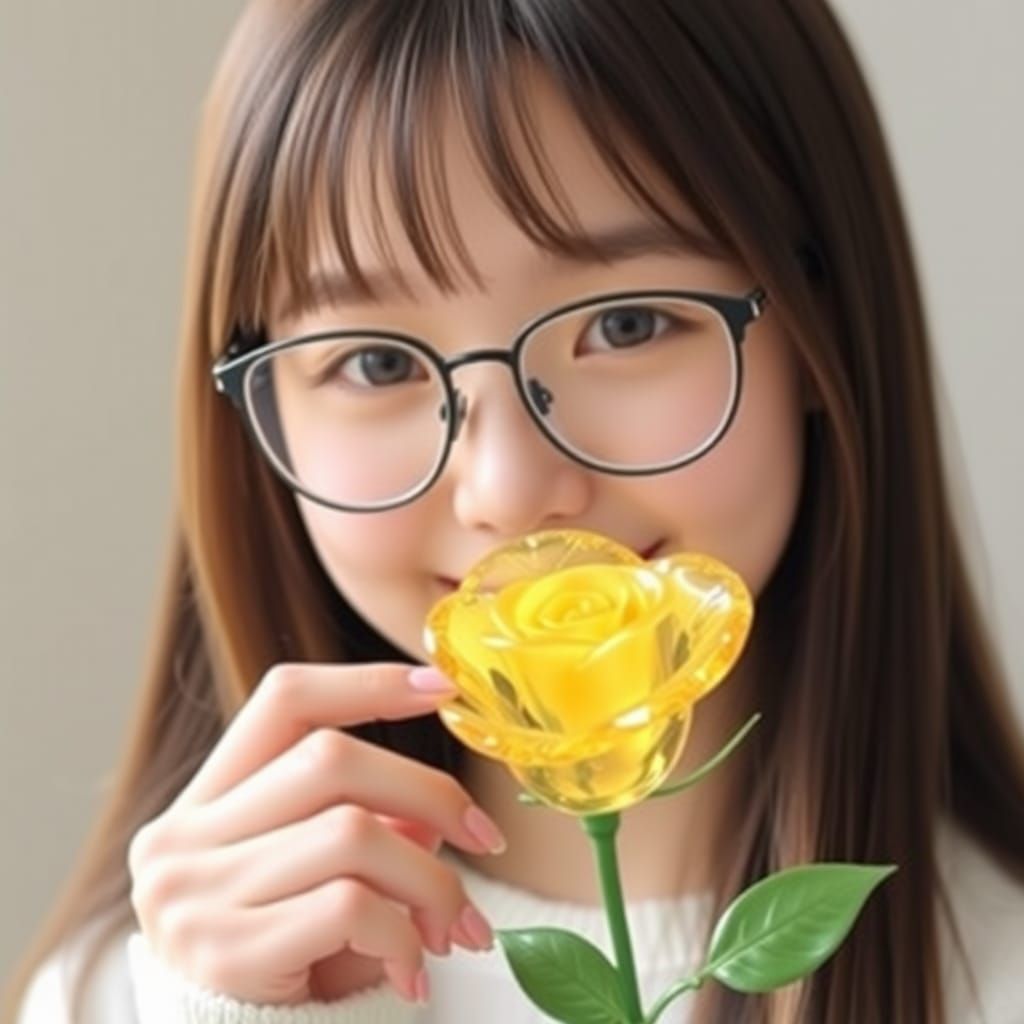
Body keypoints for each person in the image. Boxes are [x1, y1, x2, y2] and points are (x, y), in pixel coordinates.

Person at [5, 1, 1024, 1021]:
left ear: (822, 327)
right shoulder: (119, 999)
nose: (510, 490)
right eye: (378, 363)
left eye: (627, 325)